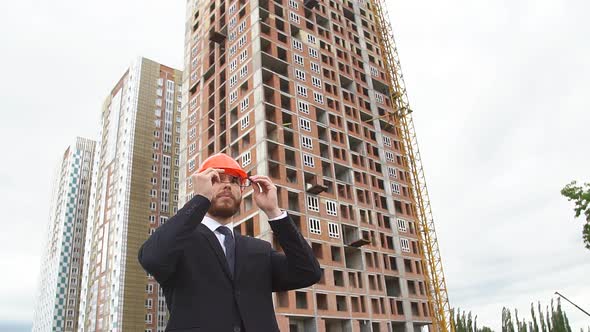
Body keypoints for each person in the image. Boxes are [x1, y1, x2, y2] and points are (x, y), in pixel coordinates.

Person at [138, 153, 322, 332]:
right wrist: (200, 199)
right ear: (203, 186)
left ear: (242, 190)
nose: (227, 185)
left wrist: (274, 212)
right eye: (217, 179)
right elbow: (152, 258)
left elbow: (308, 273)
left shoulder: (259, 249)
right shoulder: (179, 241)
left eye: (234, 181)